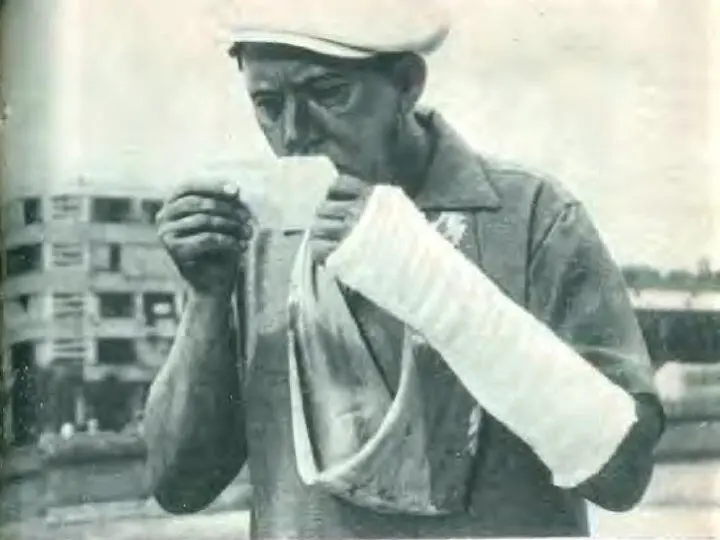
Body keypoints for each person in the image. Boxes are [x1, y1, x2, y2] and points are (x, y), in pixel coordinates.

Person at [143, 1, 665, 537]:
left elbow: (621, 474)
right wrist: (206, 299)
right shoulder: (258, 235)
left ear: (407, 84)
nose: (294, 134)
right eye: (269, 105)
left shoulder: (532, 217)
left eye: (328, 93)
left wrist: (418, 272)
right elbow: (179, 489)